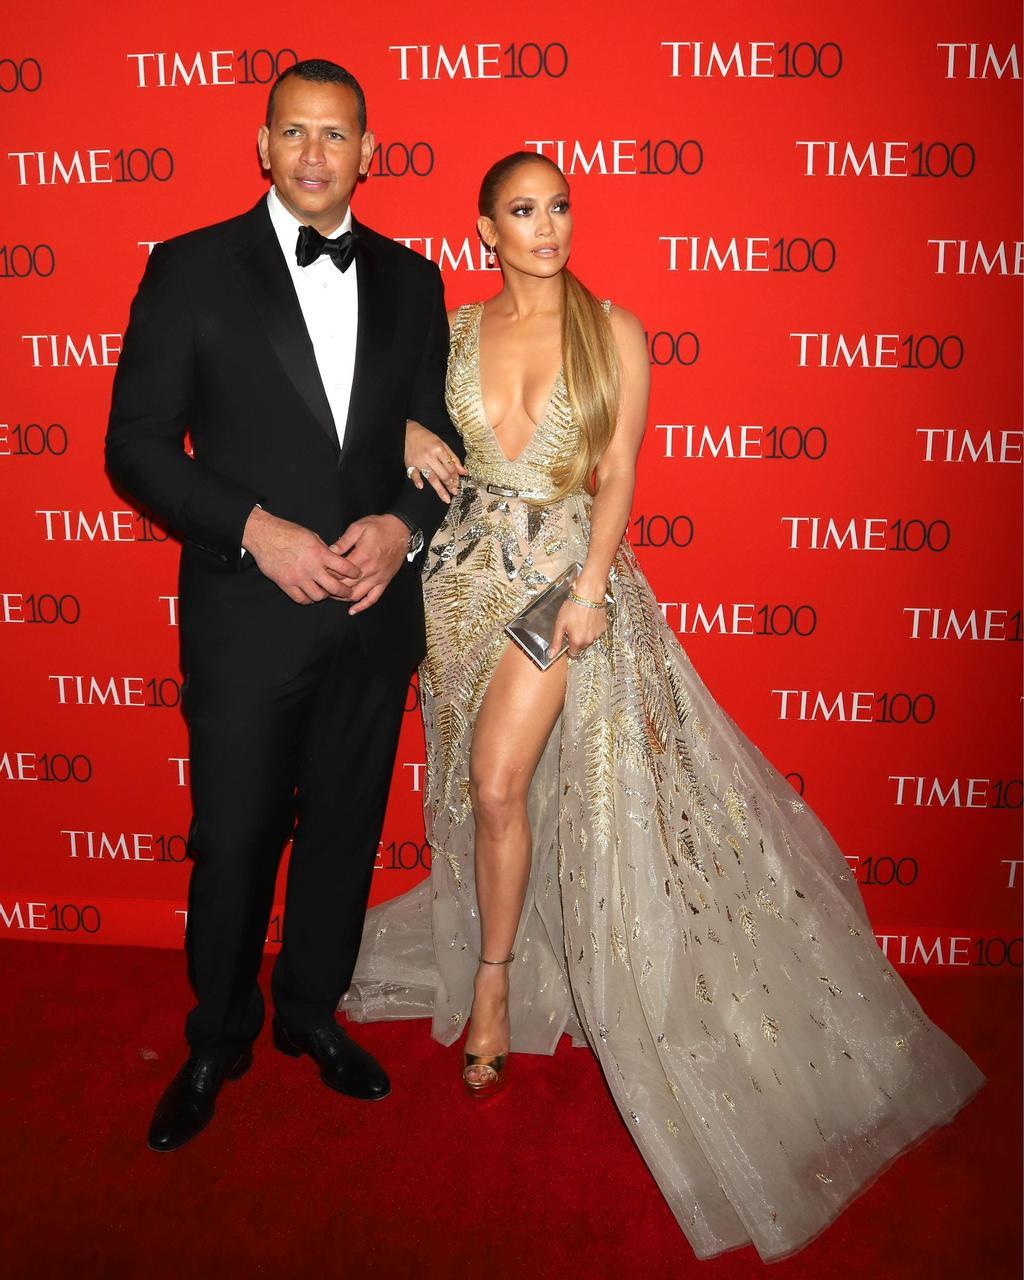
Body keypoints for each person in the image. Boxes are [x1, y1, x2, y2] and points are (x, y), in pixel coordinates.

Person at [343, 151, 986, 1261]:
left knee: (500, 779)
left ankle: (492, 990)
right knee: (490, 794)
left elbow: (622, 471)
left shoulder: (615, 330)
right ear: (485, 227)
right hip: (455, 583)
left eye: (560, 207)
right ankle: (513, 944)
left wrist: (592, 585)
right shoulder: (447, 329)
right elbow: (388, 419)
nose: (549, 227)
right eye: (525, 211)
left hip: (559, 584)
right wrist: (404, 433)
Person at [106, 58, 463, 1153]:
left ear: (368, 151)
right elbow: (134, 447)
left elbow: (437, 451)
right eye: (294, 133)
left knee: (347, 832)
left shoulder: (415, 279)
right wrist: (254, 529)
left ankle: (312, 1012)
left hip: (370, 616)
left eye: (337, 134)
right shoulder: (192, 268)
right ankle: (216, 1035)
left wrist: (404, 526)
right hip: (245, 617)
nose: (315, 153)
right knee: (234, 836)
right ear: (264, 147)